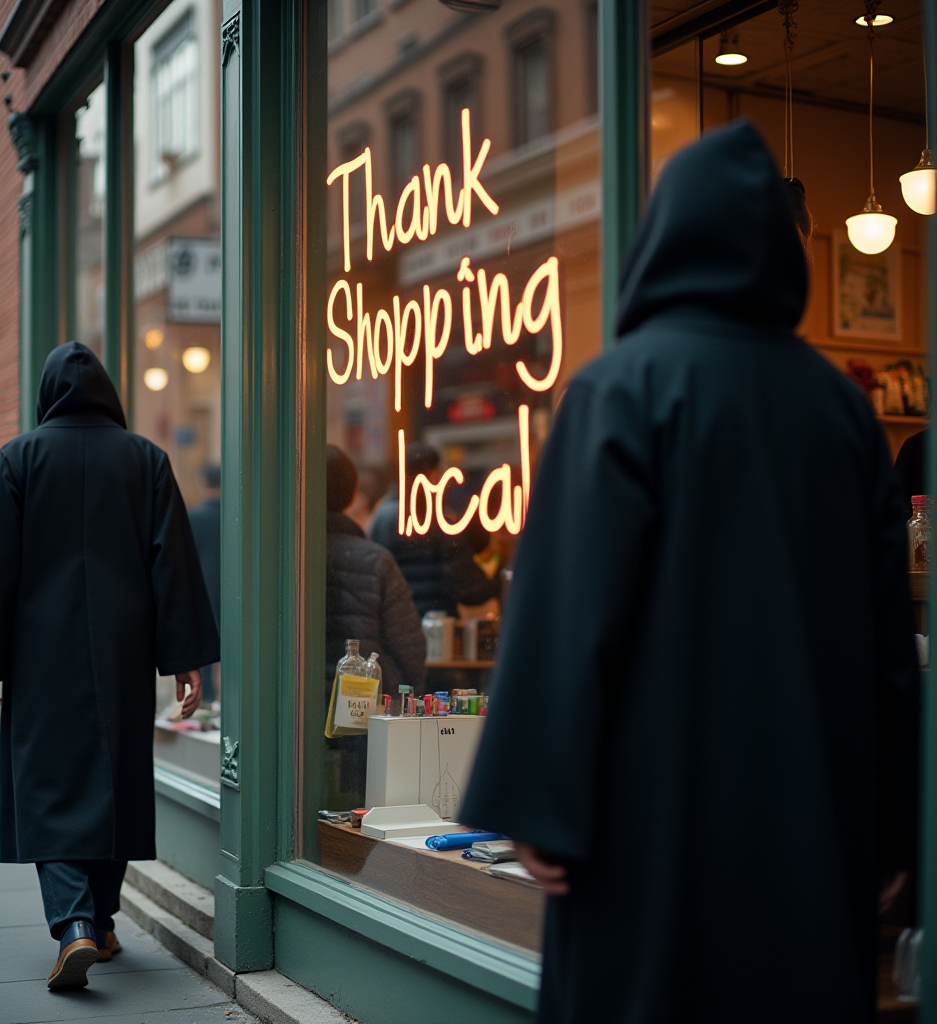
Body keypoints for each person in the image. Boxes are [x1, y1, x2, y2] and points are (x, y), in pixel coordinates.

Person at [462, 122, 919, 1024]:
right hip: (808, 824)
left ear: (662, 239)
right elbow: (886, 648)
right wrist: (895, 827)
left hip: (645, 829)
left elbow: (563, 610)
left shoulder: (617, 389)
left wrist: (535, 799)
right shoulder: (845, 414)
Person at [0, 343, 219, 991]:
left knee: (47, 784)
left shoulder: (19, 457)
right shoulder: (146, 459)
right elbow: (171, 563)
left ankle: (74, 924)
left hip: (40, 652)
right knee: (114, 779)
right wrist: (183, 659)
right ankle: (102, 916)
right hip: (123, 652)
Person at [326, 445, 425, 805]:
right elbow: (409, 645)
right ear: (353, 495)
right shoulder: (376, 560)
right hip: (365, 718)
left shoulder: (281, 554)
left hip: (293, 714)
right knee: (357, 806)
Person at [369, 443, 500, 616]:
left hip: (395, 624)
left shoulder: (380, 517)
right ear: (433, 473)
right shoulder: (439, 521)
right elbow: (469, 588)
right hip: (436, 626)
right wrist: (500, 578)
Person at [188, 463, 221, 700]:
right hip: (234, 591)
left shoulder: (193, 516)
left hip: (203, 589)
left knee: (205, 643)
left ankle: (206, 697)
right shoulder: (235, 516)